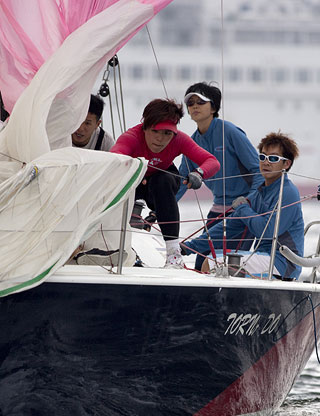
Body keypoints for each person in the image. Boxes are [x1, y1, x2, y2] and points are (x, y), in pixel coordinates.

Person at [110, 98, 220, 268]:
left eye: (167, 133)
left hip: (161, 188)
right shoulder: (131, 137)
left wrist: (199, 173)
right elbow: (113, 161)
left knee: (162, 180)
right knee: (124, 182)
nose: (161, 139)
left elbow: (212, 162)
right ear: (145, 126)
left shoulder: (179, 139)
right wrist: (134, 174)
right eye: (156, 131)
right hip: (134, 183)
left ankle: (174, 255)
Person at [181, 132, 304, 280]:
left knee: (211, 263)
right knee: (212, 259)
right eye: (262, 157)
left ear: (286, 164)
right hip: (264, 258)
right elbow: (229, 226)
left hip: (283, 264)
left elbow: (268, 231)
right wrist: (188, 247)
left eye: (273, 158)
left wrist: (243, 208)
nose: (266, 162)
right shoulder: (258, 193)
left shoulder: (288, 192)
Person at [176, 81, 264, 270]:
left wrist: (248, 202)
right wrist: (155, 212)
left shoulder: (230, 132)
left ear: (213, 107)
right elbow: (182, 182)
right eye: (190, 103)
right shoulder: (192, 142)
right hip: (217, 209)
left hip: (241, 209)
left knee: (225, 265)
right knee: (201, 264)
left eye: (200, 102)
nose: (194, 107)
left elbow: (259, 171)